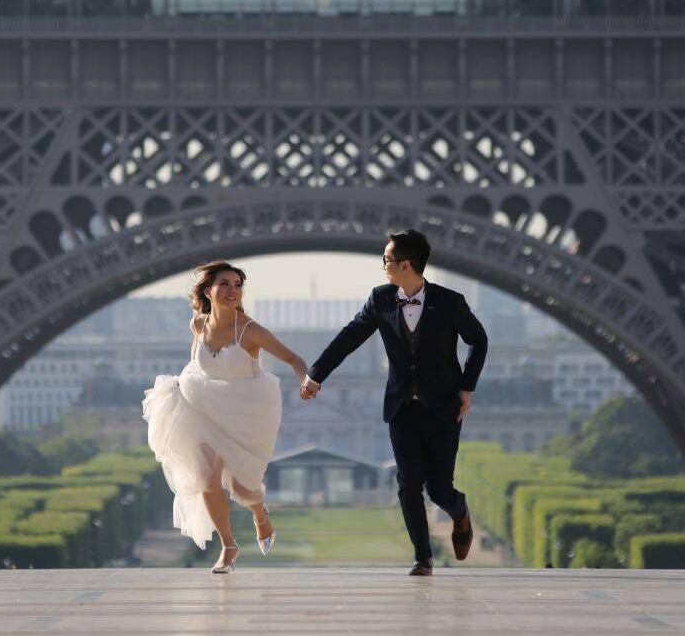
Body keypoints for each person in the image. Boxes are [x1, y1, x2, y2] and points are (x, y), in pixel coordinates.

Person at [302, 230, 488, 576]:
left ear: (406, 264)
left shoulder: (450, 302)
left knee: (439, 488)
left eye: (386, 260)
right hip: (402, 406)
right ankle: (423, 557)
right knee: (408, 482)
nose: (383, 266)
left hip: (443, 406)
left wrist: (467, 387)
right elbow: (350, 336)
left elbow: (479, 341)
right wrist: (316, 374)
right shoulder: (381, 298)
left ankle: (459, 511)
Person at [143, 260, 306, 573]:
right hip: (204, 408)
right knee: (207, 480)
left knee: (244, 489)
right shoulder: (198, 325)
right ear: (208, 290)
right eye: (225, 284)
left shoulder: (251, 330)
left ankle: (260, 514)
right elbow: (196, 364)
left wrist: (305, 379)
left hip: (245, 410)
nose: (233, 291)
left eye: (237, 285)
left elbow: (293, 358)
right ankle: (229, 547)